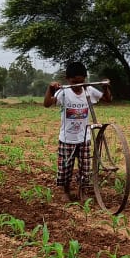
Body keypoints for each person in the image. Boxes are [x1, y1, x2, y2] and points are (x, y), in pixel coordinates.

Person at [44, 62, 111, 202]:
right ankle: (65, 191)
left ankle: (83, 191)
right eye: (74, 82)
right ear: (68, 79)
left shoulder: (89, 91)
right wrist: (50, 89)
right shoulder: (63, 92)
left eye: (81, 81)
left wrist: (106, 87)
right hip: (67, 138)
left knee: (85, 168)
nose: (78, 85)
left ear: (85, 79)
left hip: (84, 137)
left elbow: (107, 99)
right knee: (65, 168)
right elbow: (47, 103)